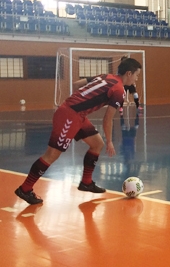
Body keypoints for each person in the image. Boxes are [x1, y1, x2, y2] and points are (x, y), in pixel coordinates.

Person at [14, 58, 143, 205]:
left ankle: (86, 182)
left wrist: (81, 101)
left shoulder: (105, 76)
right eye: (136, 75)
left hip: (77, 114)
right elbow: (107, 119)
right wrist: (110, 142)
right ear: (128, 73)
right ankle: (25, 189)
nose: (136, 79)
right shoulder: (119, 90)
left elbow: (77, 84)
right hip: (69, 116)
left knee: (96, 144)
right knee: (51, 155)